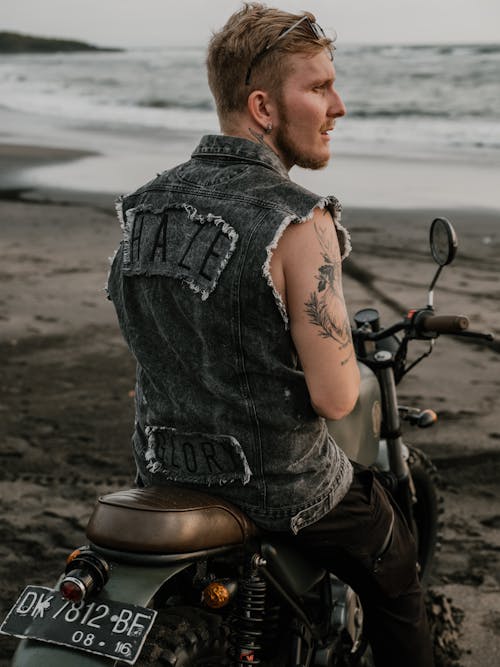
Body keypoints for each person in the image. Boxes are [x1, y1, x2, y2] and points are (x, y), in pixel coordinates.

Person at [107, 4, 434, 665]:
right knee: (396, 562)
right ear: (262, 106)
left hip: (161, 472)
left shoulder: (142, 207)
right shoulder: (299, 222)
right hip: (280, 486)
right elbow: (339, 398)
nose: (337, 105)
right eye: (317, 87)